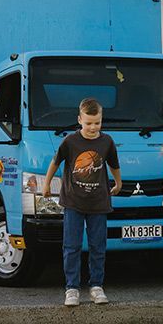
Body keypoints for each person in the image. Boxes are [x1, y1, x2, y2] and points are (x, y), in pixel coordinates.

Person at [43, 98, 122, 307]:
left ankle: (96, 286)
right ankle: (72, 288)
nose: (93, 127)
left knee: (98, 247)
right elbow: (55, 162)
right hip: (73, 202)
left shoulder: (107, 142)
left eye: (97, 122)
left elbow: (113, 164)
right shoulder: (70, 142)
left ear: (101, 120)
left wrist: (119, 182)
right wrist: (47, 184)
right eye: (88, 123)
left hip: (99, 203)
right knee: (72, 246)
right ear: (79, 120)